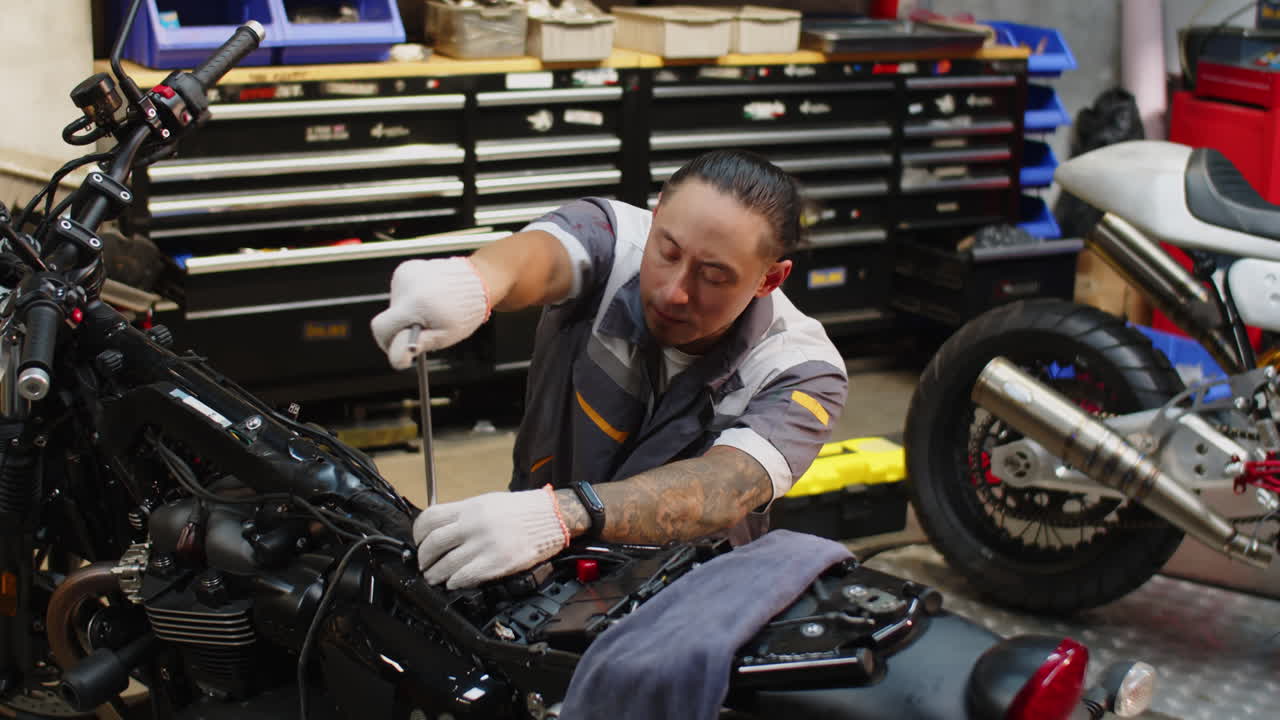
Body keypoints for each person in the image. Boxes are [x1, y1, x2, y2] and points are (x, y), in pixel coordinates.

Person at [370, 149, 848, 590]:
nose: (674, 292)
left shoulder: (802, 369)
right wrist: (473, 282)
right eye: (668, 252)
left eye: (713, 275)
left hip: (681, 595)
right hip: (529, 550)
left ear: (770, 278)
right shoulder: (614, 237)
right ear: (656, 216)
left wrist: (563, 515)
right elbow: (541, 255)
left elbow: (726, 485)